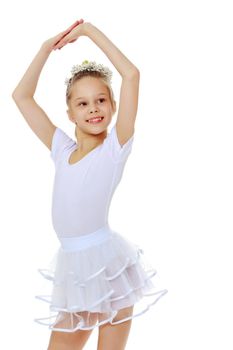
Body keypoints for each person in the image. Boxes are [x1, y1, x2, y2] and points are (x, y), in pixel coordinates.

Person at [12, 19, 168, 350]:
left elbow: (132, 76)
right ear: (69, 112)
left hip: (108, 269)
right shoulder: (61, 149)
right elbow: (21, 96)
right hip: (75, 270)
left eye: (101, 100)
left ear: (112, 107)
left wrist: (88, 32)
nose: (93, 109)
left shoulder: (115, 149)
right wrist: (44, 49)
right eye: (82, 103)